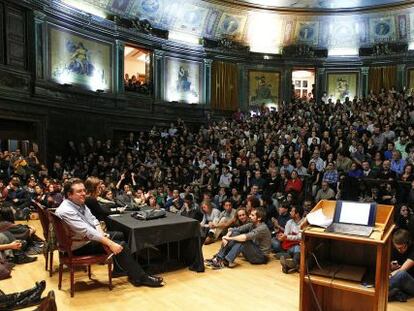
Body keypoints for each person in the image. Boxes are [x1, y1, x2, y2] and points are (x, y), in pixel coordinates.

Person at [55, 178, 164, 287]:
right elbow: (87, 231)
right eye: (79, 191)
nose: (84, 193)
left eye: (84, 190)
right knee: (121, 245)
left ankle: (123, 269)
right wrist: (110, 243)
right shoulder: (66, 210)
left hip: (84, 239)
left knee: (120, 235)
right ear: (69, 194)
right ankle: (140, 277)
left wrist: (102, 234)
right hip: (78, 246)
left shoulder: (78, 202)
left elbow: (93, 219)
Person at [207, 207, 271, 269]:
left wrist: (229, 238)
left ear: (259, 218)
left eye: (252, 215)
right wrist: (226, 237)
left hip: (261, 257)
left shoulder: (262, 228)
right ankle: (218, 258)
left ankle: (226, 261)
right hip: (252, 252)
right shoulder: (252, 224)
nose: (250, 216)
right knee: (236, 233)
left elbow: (245, 237)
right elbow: (234, 230)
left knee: (243, 239)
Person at [273, 206, 304, 274]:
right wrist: (281, 236)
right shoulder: (289, 222)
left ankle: (291, 263)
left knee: (297, 247)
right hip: (290, 245)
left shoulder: (304, 223)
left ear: (297, 214)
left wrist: (286, 236)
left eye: (292, 211)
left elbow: (299, 237)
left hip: (299, 245)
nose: (290, 212)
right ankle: (292, 260)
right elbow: (285, 234)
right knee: (275, 242)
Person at [389, 229, 414, 302]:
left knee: (401, 274)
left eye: (402, 248)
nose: (400, 250)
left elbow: (402, 270)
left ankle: (379, 293)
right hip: (402, 283)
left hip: (411, 282)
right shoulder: (395, 250)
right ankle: (396, 293)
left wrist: (389, 275)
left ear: (408, 243)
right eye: (397, 248)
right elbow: (392, 268)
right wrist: (392, 267)